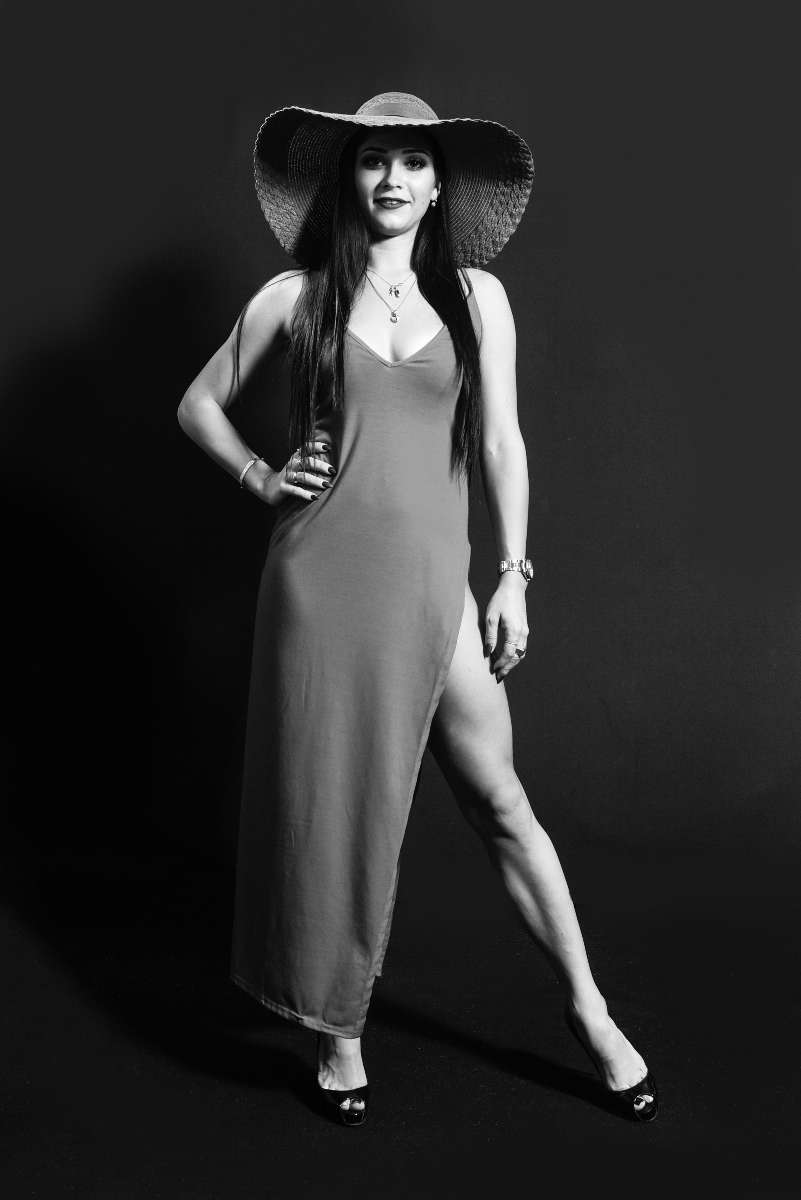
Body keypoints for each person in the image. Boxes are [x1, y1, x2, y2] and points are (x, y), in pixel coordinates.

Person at [177, 92, 658, 1127]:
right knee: (334, 807)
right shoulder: (296, 295)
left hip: (437, 582)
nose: (392, 178)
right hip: (320, 586)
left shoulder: (478, 297)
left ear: (439, 186)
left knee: (500, 803)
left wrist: (512, 573)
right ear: (348, 181)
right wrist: (262, 477)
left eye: (412, 161)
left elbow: (500, 442)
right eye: (373, 161)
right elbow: (197, 404)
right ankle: (338, 1030)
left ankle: (589, 1009)